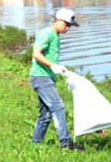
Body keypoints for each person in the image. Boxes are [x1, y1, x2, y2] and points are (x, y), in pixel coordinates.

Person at [29, 8, 85, 151]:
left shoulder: (56, 35)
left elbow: (49, 56)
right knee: (58, 106)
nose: (68, 28)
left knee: (46, 114)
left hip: (45, 77)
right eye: (66, 24)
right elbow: (36, 54)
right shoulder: (47, 33)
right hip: (40, 77)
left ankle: (35, 144)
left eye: (70, 26)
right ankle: (66, 144)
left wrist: (60, 68)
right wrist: (52, 65)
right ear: (57, 20)